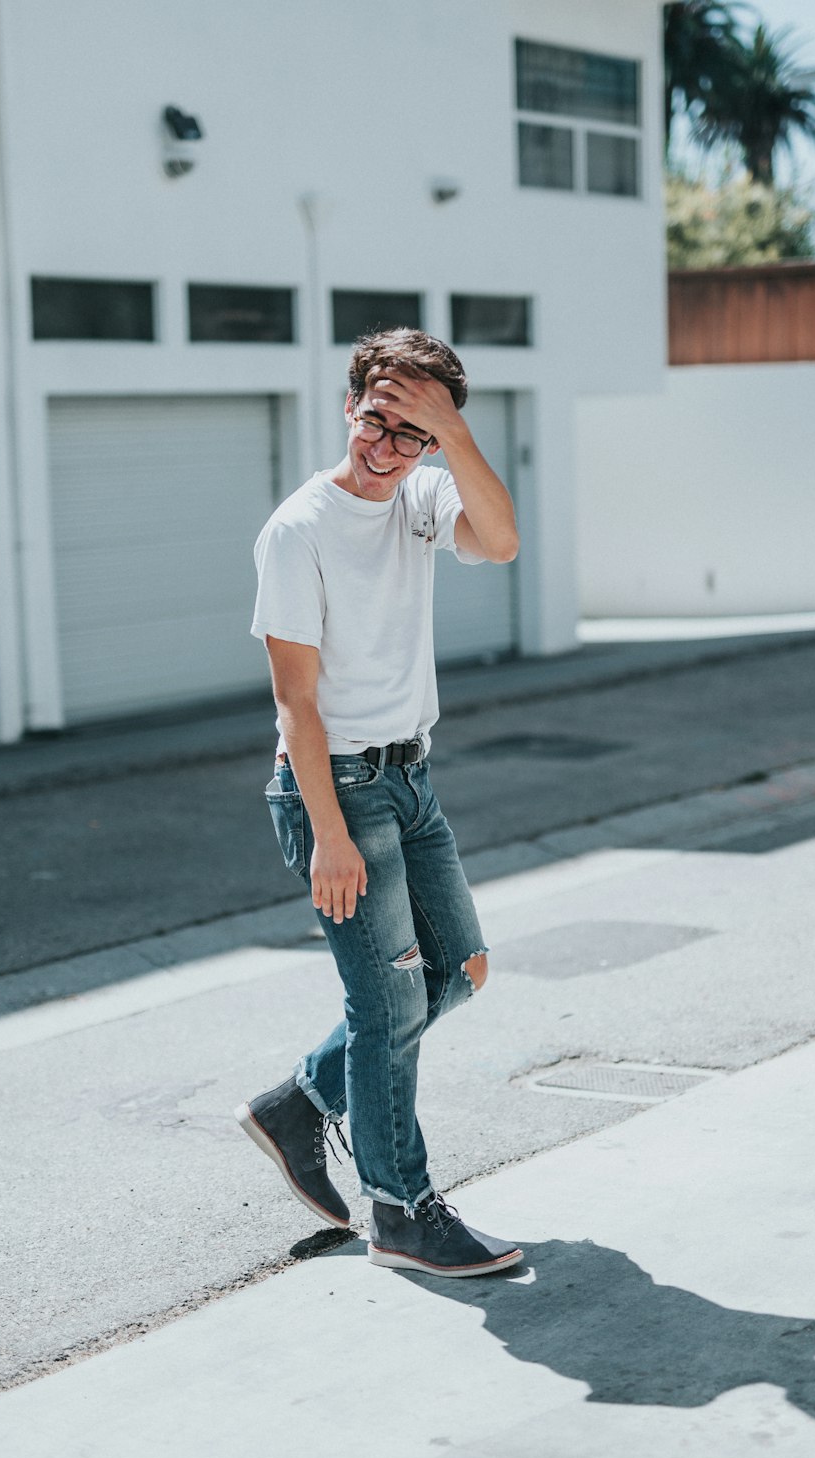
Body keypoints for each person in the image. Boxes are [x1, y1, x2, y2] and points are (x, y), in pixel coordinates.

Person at [235, 327, 523, 1277]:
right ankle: (399, 1208)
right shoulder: (298, 529)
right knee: (386, 1001)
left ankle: (298, 1105)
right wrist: (327, 835)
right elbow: (296, 701)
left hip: (410, 777)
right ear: (349, 409)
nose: (387, 448)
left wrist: (450, 432)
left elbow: (504, 539)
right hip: (336, 790)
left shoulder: (428, 497)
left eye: (412, 434)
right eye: (377, 422)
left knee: (460, 970)